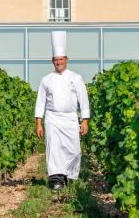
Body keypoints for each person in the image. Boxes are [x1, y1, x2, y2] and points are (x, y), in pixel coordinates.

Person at [34, 31, 90, 190]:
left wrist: (84, 120)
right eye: (56, 60)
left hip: (71, 118)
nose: (58, 62)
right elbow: (40, 102)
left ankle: (69, 175)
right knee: (54, 148)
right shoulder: (46, 79)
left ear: (67, 60)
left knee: (74, 150)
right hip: (52, 118)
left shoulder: (76, 78)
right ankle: (56, 180)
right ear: (52, 61)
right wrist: (39, 123)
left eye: (61, 59)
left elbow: (83, 100)